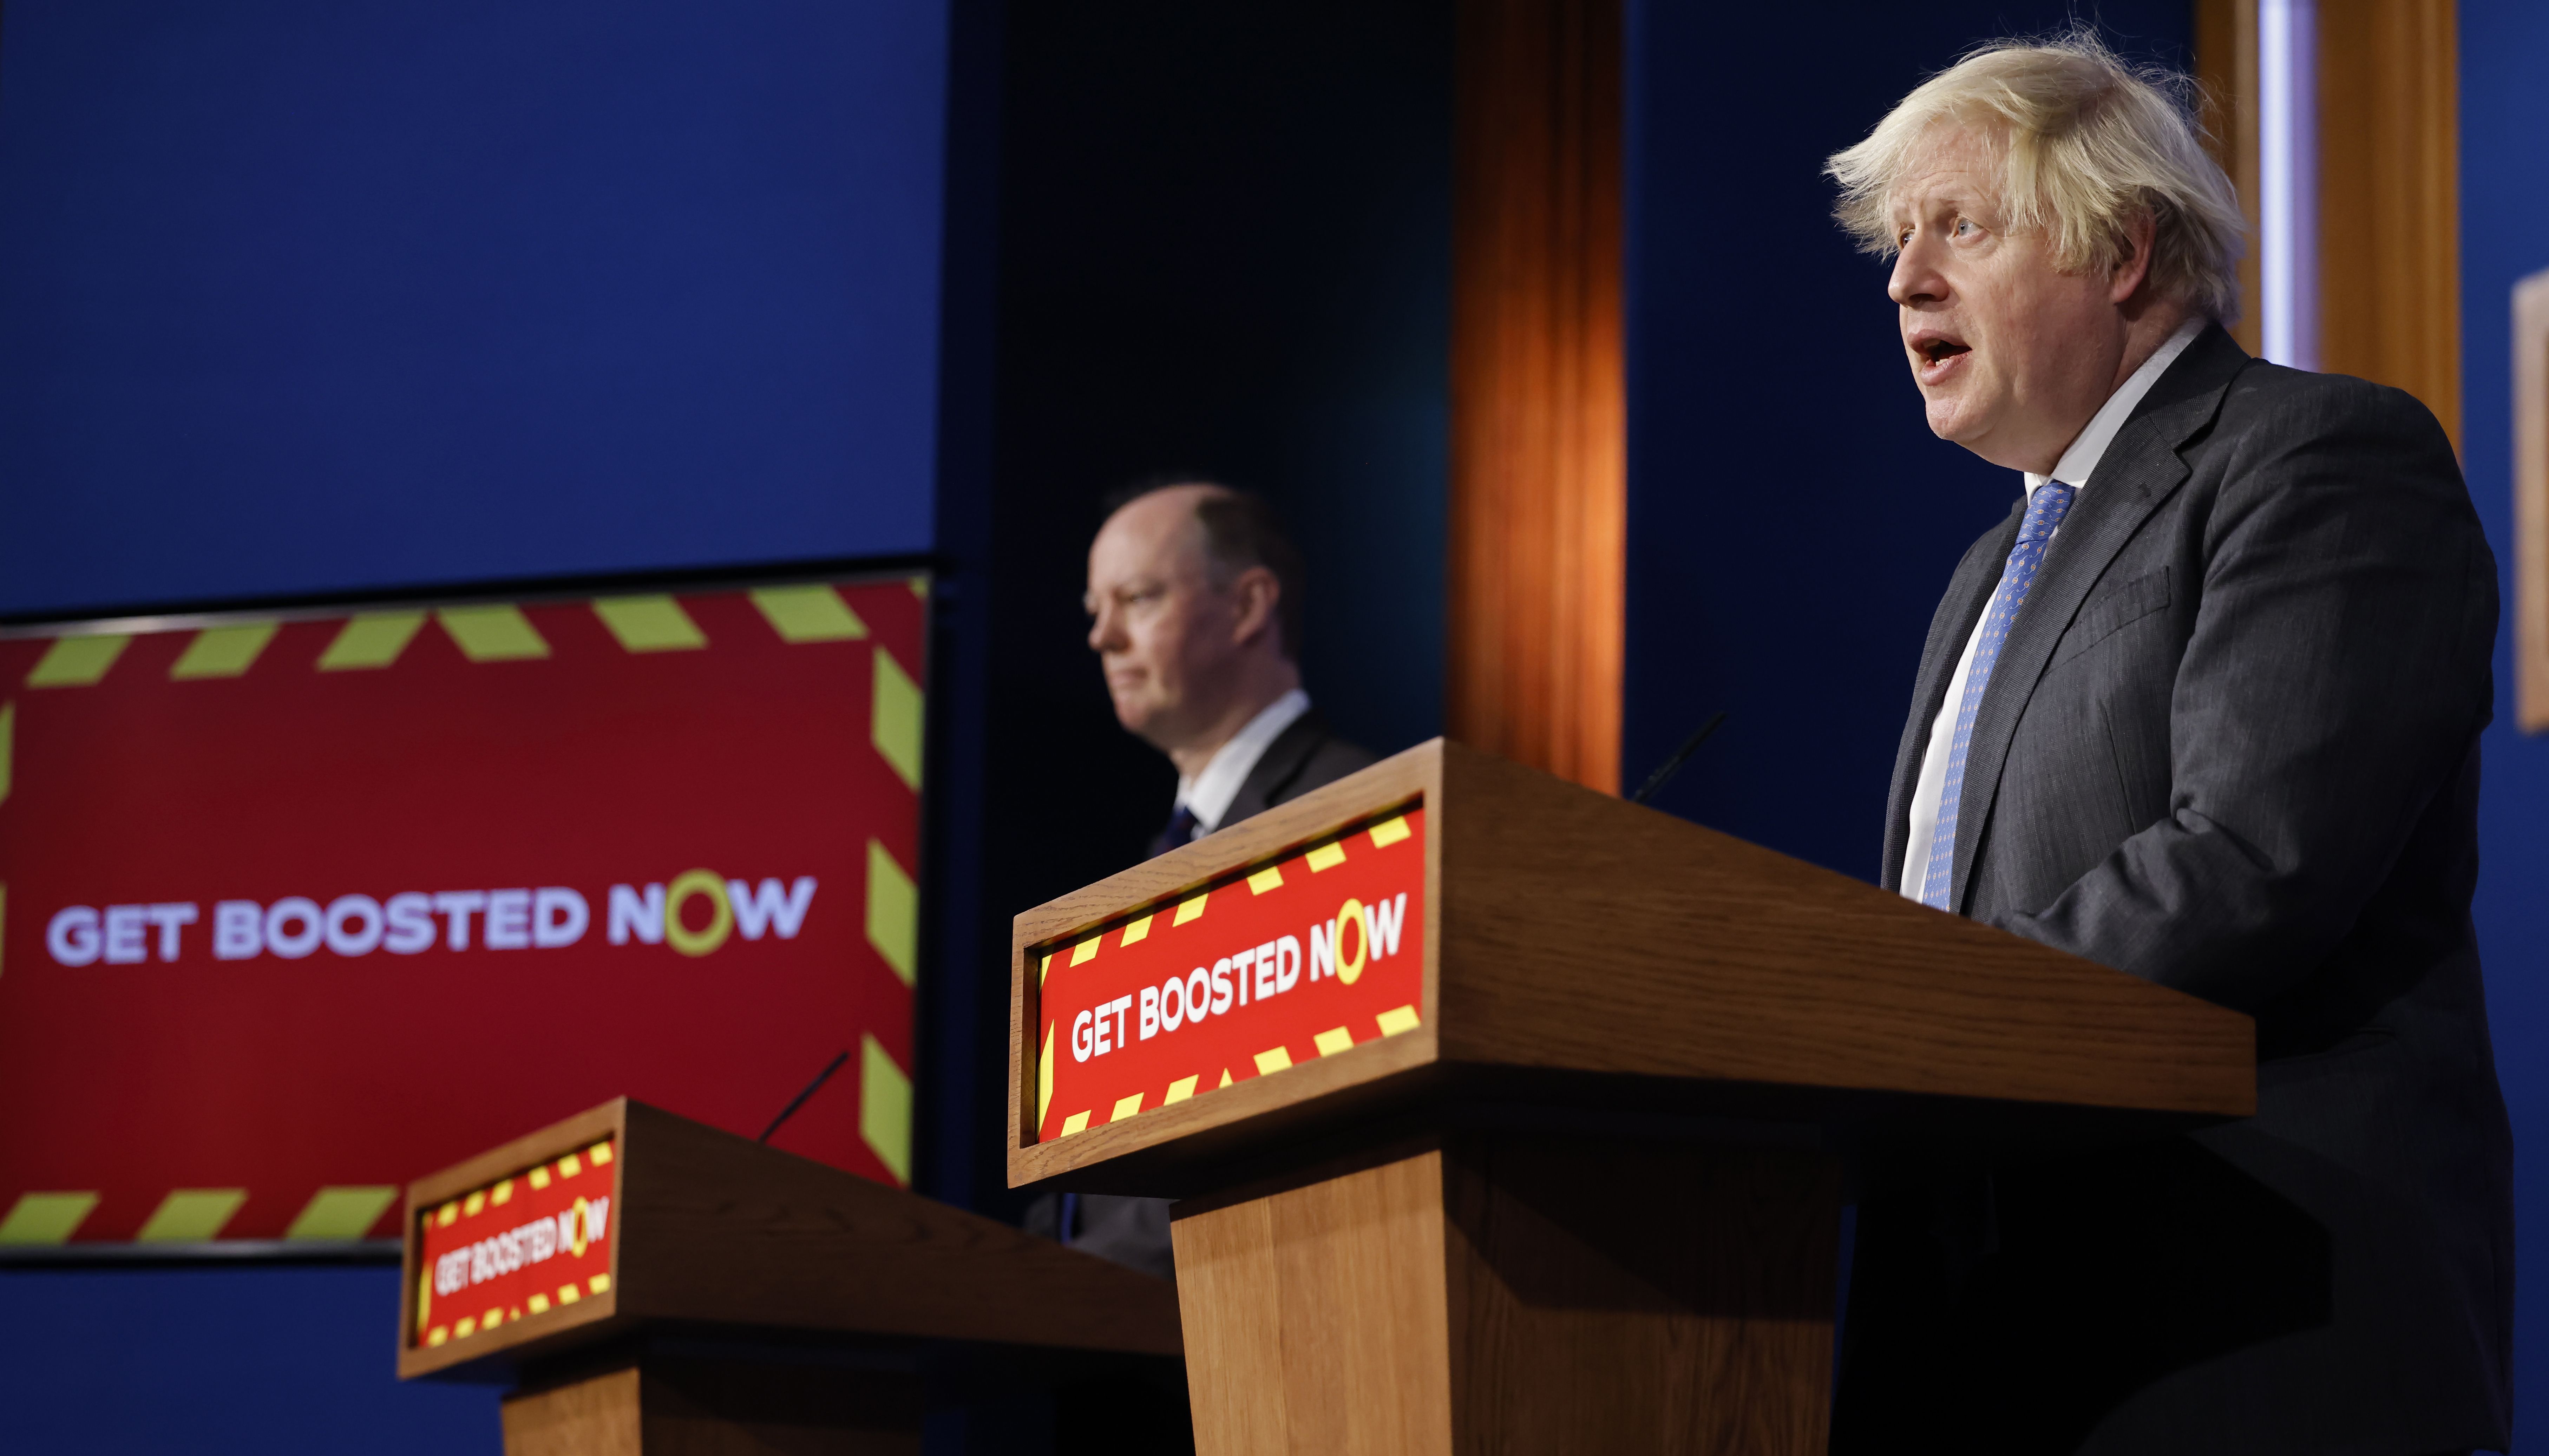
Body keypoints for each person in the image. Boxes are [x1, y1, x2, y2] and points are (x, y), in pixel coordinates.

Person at [1822, 32, 2511, 1456]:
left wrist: (1895, 1044)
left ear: (2123, 250)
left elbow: (2250, 858)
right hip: (1978, 1327)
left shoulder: (2316, 455)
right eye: (1897, 239)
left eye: (1955, 224)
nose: (1903, 278)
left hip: (2233, 1315)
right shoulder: (1978, 575)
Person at [1024, 478, 1375, 1280]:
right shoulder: (1154, 864)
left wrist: (1081, 1284)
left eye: (1136, 599)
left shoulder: (1358, 817)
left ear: (1249, 606)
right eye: (1093, 609)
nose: (1102, 637)